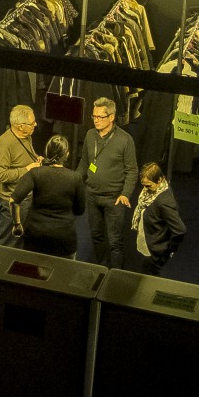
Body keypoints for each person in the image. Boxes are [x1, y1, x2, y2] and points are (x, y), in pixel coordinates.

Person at [78, 96, 137, 268]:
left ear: (111, 117)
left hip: (114, 198)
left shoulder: (125, 140)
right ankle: (101, 267)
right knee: (96, 236)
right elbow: (84, 162)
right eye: (94, 117)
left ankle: (116, 274)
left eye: (100, 117)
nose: (96, 121)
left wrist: (125, 194)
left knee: (115, 240)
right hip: (91, 195)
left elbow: (132, 170)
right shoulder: (90, 135)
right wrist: (74, 181)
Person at [10, 134, 84, 258]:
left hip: (35, 235)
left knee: (32, 273)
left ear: (46, 152)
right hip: (63, 237)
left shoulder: (35, 173)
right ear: (66, 154)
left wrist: (17, 225)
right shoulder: (75, 178)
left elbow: (13, 200)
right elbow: (80, 210)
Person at [0, 104, 42, 246]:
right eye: (32, 123)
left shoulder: (26, 136)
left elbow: (23, 155)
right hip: (13, 201)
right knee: (8, 240)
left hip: (26, 196)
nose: (35, 125)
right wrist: (27, 169)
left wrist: (36, 158)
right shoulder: (4, 145)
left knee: (20, 239)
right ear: (20, 126)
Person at [130, 162, 186, 274]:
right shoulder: (153, 191)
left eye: (148, 185)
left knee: (149, 275)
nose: (145, 188)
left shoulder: (164, 202)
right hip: (148, 238)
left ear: (159, 180)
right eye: (143, 185)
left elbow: (180, 230)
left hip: (155, 249)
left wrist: (169, 249)